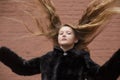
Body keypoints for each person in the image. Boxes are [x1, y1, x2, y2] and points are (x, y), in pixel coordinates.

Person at [0, 0, 120, 80]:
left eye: (68, 33)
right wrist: (2, 52)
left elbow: (103, 76)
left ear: (76, 39)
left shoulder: (81, 59)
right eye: (61, 33)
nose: (63, 35)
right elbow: (23, 68)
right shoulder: (47, 58)